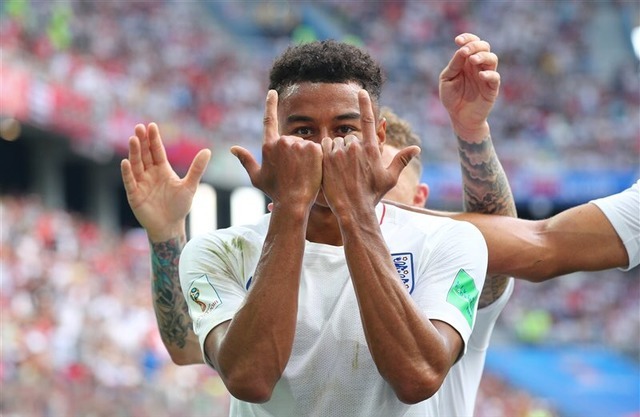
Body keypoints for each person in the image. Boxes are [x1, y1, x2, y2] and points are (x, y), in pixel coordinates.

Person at [125, 38, 492, 416]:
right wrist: (290, 207)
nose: (324, 147)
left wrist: (356, 212)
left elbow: (418, 378)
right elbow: (250, 379)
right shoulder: (218, 251)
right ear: (274, 140)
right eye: (303, 131)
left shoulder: (449, 240)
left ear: (378, 138)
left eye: (345, 129)